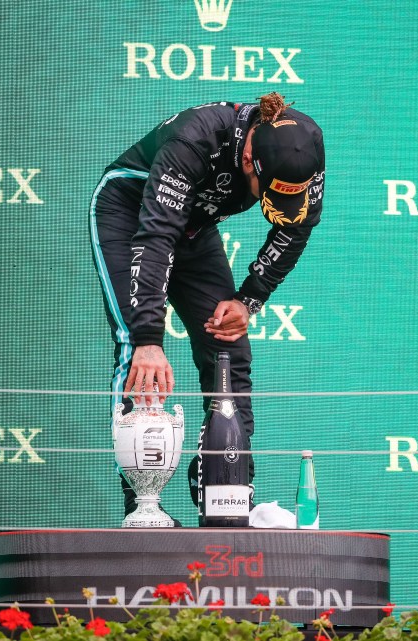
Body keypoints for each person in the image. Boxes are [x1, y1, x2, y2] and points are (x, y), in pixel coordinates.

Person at [89, 92, 325, 524]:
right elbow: (157, 236)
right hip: (130, 215)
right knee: (138, 354)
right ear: (251, 155)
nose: (272, 201)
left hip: (196, 228)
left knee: (229, 352)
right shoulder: (196, 138)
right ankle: (144, 508)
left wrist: (249, 298)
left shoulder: (307, 145)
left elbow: (297, 227)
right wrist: (148, 337)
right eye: (266, 192)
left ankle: (226, 495)